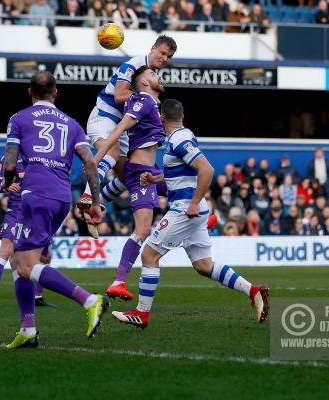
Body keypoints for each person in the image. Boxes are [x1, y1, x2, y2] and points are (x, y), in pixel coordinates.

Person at [111, 99, 268, 328]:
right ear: (182, 116)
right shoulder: (182, 136)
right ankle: (253, 290)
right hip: (192, 210)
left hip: (185, 209)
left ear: (161, 118)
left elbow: (206, 169)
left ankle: (141, 314)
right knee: (204, 265)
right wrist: (156, 179)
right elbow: (185, 170)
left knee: (149, 255)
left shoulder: (178, 139)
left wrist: (194, 202)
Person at [3, 71, 107, 349]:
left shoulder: (19, 118)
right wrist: (95, 202)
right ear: (55, 92)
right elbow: (90, 164)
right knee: (18, 260)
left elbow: (10, 163)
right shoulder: (72, 124)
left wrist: (7, 183)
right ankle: (27, 329)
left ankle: (89, 300)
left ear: (29, 92)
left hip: (36, 195)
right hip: (61, 197)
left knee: (26, 265)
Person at [76, 35, 177, 238]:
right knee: (112, 152)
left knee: (129, 176)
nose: (165, 58)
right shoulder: (133, 65)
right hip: (105, 116)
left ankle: (97, 205)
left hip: (123, 126)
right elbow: (119, 96)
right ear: (153, 48)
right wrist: (145, 96)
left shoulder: (152, 75)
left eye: (169, 56)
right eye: (163, 53)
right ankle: (87, 196)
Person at [93, 66, 166, 301]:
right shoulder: (143, 100)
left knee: (185, 183)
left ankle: (99, 202)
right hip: (141, 171)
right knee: (143, 229)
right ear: (144, 83)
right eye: (153, 74)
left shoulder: (151, 104)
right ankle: (118, 281)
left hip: (150, 169)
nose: (159, 75)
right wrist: (96, 159)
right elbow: (118, 130)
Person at [0, 155, 54, 310]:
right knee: (6, 250)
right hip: (16, 211)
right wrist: (5, 186)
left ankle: (37, 297)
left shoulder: (41, 155)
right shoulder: (10, 157)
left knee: (46, 255)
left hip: (38, 210)